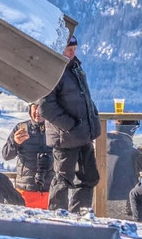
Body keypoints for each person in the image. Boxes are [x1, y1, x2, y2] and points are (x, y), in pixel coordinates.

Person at [38, 33, 102, 213]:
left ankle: (80, 212)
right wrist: (71, 126)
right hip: (66, 136)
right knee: (63, 178)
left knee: (89, 177)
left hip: (83, 133)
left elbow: (85, 98)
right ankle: (58, 214)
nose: (72, 53)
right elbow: (46, 107)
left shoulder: (75, 67)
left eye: (74, 49)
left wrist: (92, 118)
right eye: (69, 50)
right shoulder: (52, 71)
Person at [0, 101, 54, 207]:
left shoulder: (55, 130)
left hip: (51, 191)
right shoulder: (20, 128)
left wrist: (52, 161)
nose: (37, 111)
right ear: (30, 109)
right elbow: (6, 155)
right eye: (35, 107)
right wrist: (15, 143)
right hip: (25, 191)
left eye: (41, 107)